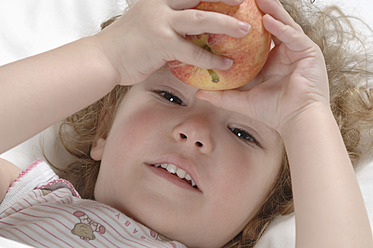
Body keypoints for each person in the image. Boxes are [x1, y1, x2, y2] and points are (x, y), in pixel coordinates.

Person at [0, 0, 373, 247]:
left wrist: (306, 116)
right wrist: (109, 55)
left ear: (260, 216)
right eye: (170, 97)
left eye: (243, 133)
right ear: (104, 131)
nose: (194, 133)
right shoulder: (33, 202)